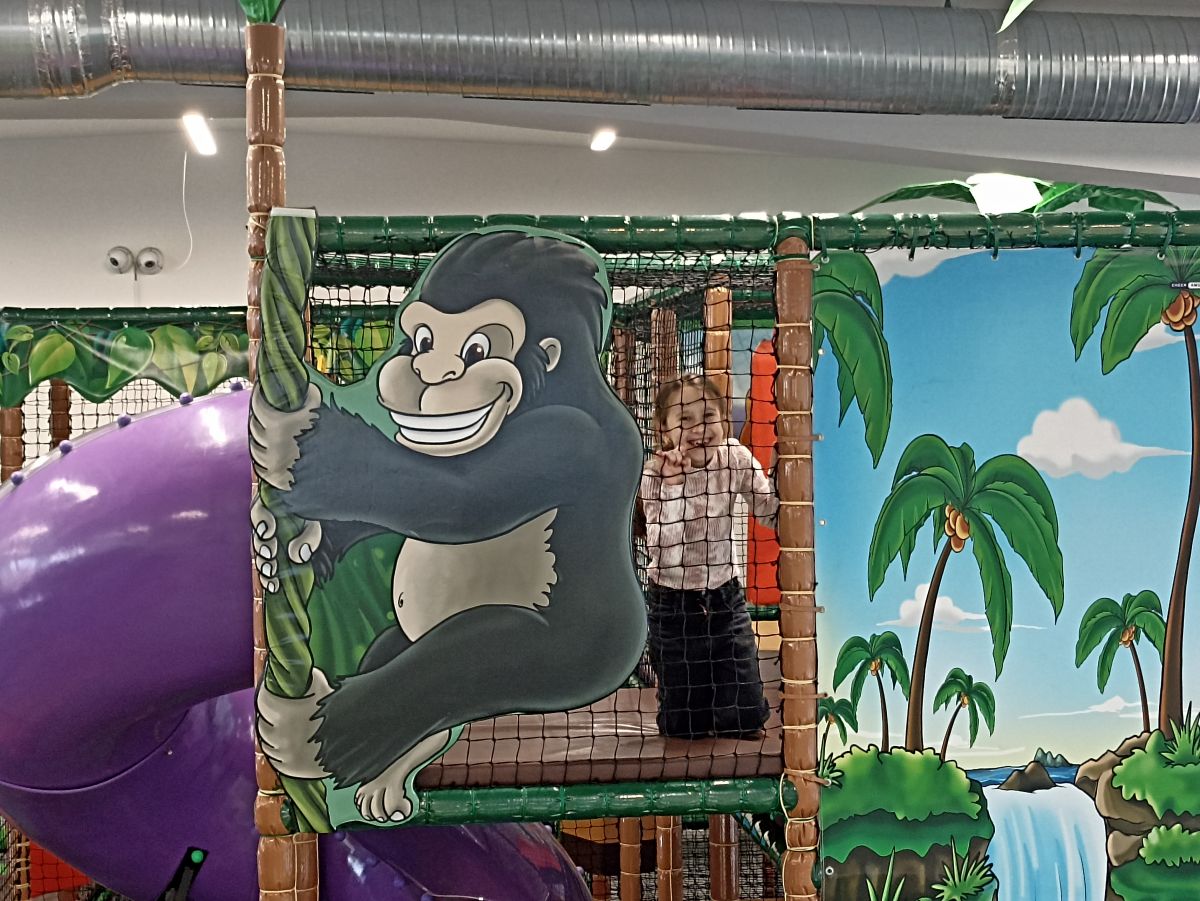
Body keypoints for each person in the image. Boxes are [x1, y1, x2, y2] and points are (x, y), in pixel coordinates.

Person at [638, 373, 778, 739]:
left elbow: (769, 512)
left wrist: (786, 470)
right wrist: (674, 486)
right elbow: (664, 548)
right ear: (664, 430)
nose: (700, 429)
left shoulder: (734, 458)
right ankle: (682, 703)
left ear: (724, 419)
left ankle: (731, 703)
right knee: (685, 727)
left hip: (725, 601)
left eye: (708, 416)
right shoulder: (654, 474)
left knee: (747, 719)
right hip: (673, 609)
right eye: (685, 419)